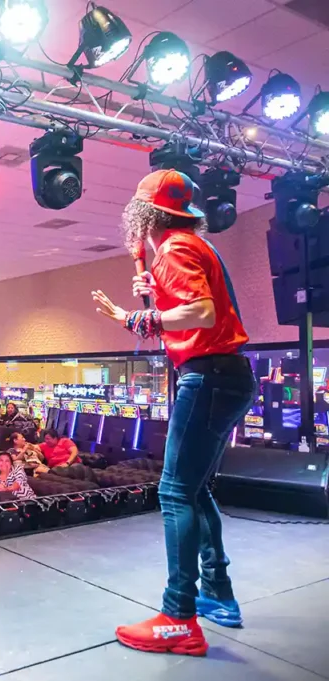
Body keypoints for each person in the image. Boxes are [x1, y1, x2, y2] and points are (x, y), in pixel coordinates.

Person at [92, 168, 253, 654]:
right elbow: (193, 316)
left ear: (147, 212)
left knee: (175, 491)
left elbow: (200, 313)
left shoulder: (178, 248)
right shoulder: (193, 247)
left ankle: (180, 616)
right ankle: (217, 595)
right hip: (222, 377)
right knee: (194, 487)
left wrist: (137, 316)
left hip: (207, 377)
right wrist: (158, 293)